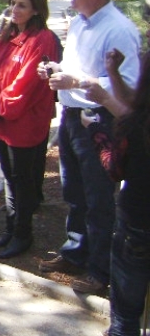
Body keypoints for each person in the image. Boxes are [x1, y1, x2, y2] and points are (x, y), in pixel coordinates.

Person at [37, 0, 140, 294]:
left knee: (98, 198)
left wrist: (76, 81)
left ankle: (100, 271)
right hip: (71, 117)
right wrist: (55, 69)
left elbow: (128, 87)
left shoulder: (119, 30)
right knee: (74, 193)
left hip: (99, 120)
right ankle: (75, 252)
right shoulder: (80, 23)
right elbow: (73, 66)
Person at [0, 0, 58, 259]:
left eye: (21, 4)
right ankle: (11, 229)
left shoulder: (42, 39)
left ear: (36, 9)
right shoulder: (8, 38)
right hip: (1, 121)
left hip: (24, 124)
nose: (14, 9)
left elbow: (27, 83)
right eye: (12, 3)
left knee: (22, 181)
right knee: (10, 179)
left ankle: (24, 234)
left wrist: (2, 106)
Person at [82, 50, 150, 336]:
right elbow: (135, 104)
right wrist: (113, 73)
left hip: (138, 228)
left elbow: (114, 168)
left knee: (125, 315)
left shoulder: (137, 127)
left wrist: (97, 131)